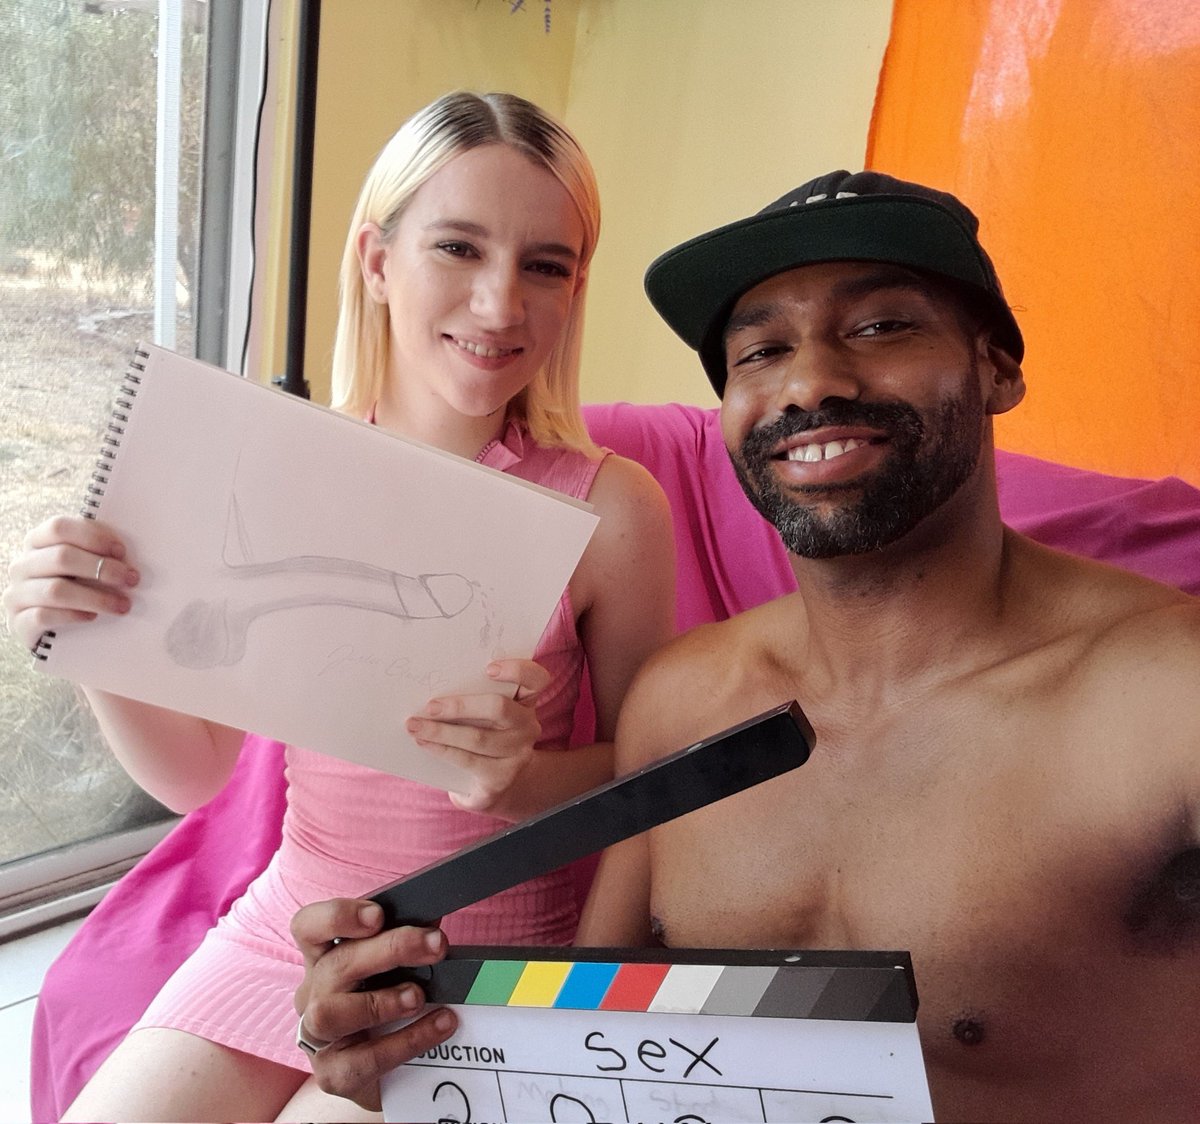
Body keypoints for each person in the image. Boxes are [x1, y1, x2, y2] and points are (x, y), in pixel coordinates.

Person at [288, 170, 1200, 1123]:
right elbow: (579, 1074)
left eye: (881, 327)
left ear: (997, 369)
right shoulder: (683, 704)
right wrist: (400, 1050)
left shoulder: (1171, 696)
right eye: (761, 351)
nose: (810, 383)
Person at [2, 90, 674, 1123]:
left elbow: (654, 783)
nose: (500, 303)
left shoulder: (611, 507)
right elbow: (196, 777)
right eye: (458, 247)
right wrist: (93, 644)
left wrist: (523, 781)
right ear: (375, 259)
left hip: (494, 959)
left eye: (546, 265)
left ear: (576, 287)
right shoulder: (282, 464)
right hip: (297, 922)